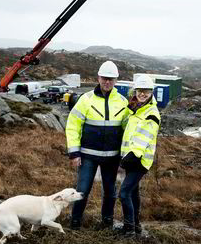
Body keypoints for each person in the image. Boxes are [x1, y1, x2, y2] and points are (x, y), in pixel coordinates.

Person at [66, 60, 129, 230]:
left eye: (111, 79)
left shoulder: (123, 102)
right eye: (104, 78)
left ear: (116, 80)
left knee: (110, 192)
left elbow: (127, 131)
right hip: (87, 156)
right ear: (98, 78)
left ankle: (107, 222)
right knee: (82, 190)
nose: (107, 82)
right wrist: (74, 153)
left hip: (112, 158)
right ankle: (75, 222)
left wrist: (125, 157)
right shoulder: (85, 99)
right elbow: (73, 125)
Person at [117, 75, 161, 237]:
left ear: (151, 92)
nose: (143, 94)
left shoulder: (151, 113)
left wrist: (132, 156)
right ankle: (136, 226)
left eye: (146, 91)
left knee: (124, 193)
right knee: (133, 193)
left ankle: (128, 229)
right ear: (135, 91)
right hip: (131, 157)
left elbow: (144, 136)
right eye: (140, 91)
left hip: (139, 160)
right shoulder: (135, 108)